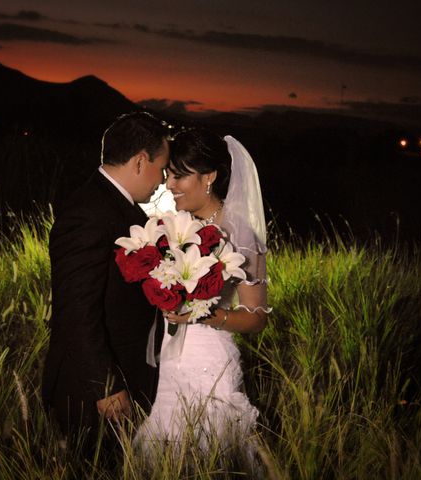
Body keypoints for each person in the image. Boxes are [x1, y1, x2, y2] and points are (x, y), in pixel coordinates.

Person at [134, 127, 270, 468]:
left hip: (207, 362)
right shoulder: (168, 226)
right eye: (168, 175)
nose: (169, 185)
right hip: (164, 359)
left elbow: (256, 317)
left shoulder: (240, 234)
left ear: (209, 176)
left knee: (209, 457)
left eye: (180, 176)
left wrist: (203, 313)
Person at [41, 112, 170, 453]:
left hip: (125, 376)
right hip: (95, 390)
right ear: (141, 161)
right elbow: (76, 310)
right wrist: (106, 387)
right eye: (163, 167)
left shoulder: (119, 208)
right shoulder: (89, 213)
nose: (163, 180)